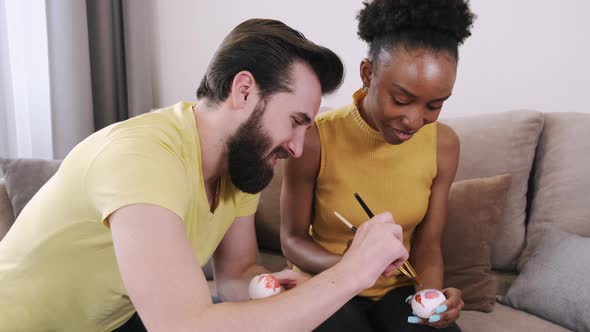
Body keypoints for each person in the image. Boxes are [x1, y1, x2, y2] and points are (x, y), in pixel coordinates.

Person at [0, 18, 410, 331]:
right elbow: (183, 327)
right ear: (244, 91)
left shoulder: (241, 163)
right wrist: (351, 272)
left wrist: (272, 286)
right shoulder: (143, 157)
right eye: (295, 121)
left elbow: (236, 275)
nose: (298, 147)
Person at [281, 1, 476, 331]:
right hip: (326, 284)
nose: (415, 120)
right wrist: (354, 267)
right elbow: (293, 240)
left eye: (434, 105)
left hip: (396, 292)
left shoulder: (444, 145)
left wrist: (431, 300)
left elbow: (428, 246)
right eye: (400, 100)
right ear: (368, 74)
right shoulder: (316, 138)